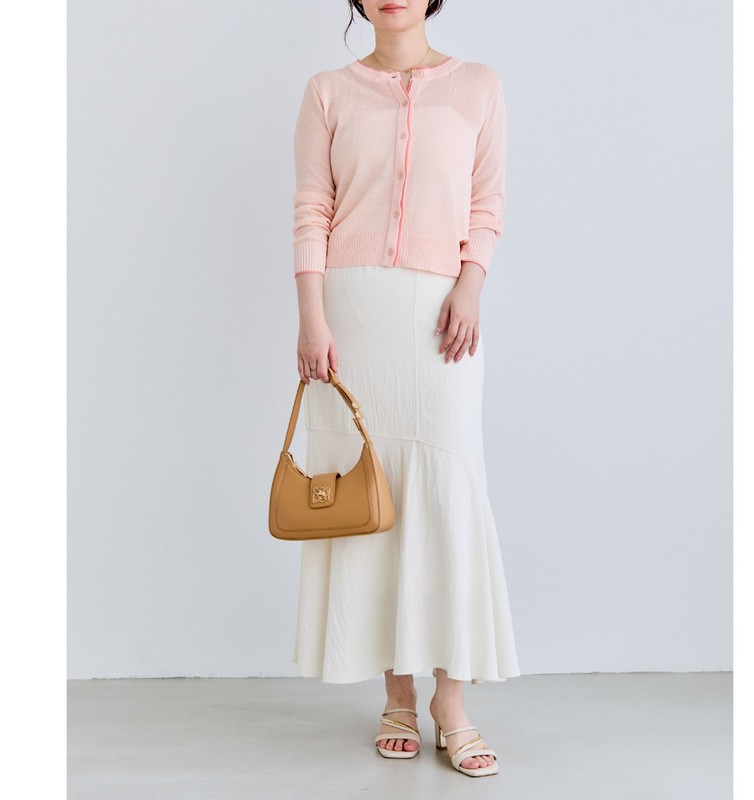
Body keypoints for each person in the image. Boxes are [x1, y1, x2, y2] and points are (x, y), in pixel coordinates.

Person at [289, 0, 520, 777]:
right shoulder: (327, 91)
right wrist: (312, 319)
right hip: (352, 310)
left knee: (448, 491)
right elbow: (312, 208)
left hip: (438, 309)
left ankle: (452, 703)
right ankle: (397, 696)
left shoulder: (479, 85)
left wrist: (471, 284)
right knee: (372, 494)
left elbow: (487, 204)